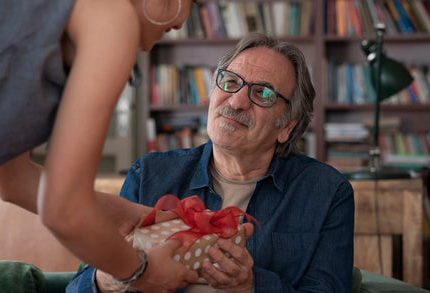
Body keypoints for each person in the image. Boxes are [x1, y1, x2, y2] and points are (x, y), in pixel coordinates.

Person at [0, 0, 201, 292]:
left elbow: (13, 182)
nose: (180, 24)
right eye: (192, 3)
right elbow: (64, 212)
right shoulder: (113, 16)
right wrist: (142, 272)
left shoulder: (37, 28)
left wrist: (125, 213)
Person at [67, 32, 355, 292]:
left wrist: (252, 287)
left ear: (287, 128)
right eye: (230, 82)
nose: (236, 102)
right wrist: (115, 276)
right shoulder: (149, 175)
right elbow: (80, 285)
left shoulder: (327, 191)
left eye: (263, 94)